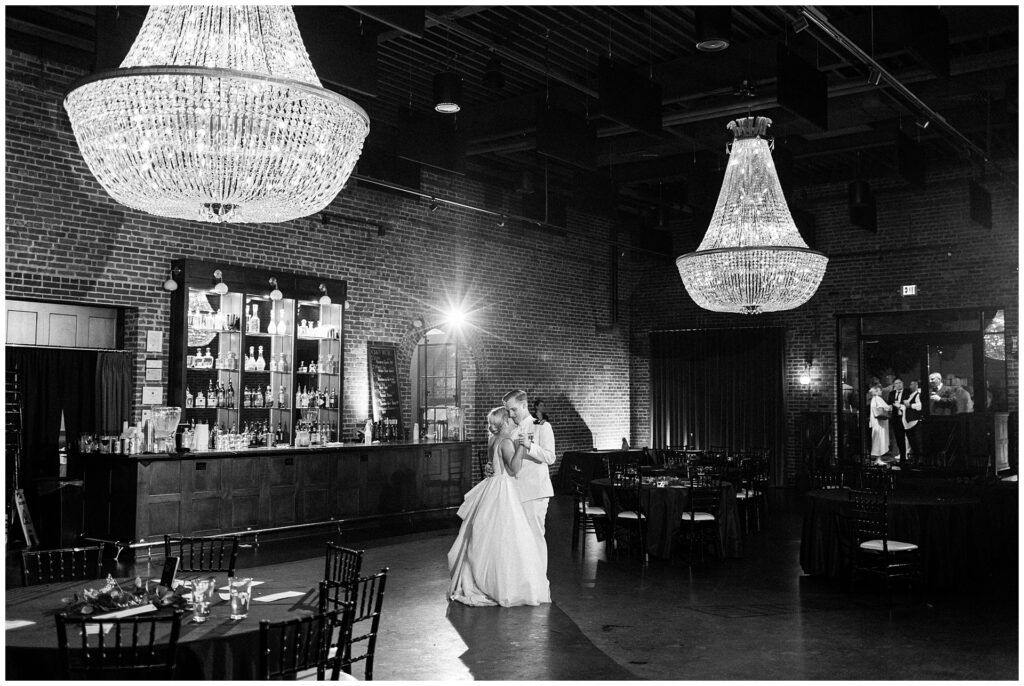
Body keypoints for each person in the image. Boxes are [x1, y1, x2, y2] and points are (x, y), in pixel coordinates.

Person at [447, 407, 551, 607]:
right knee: (507, 537)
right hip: (504, 489)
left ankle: (484, 578)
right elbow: (514, 468)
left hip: (492, 487)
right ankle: (501, 582)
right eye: (509, 417)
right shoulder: (505, 441)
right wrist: (522, 445)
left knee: (491, 534)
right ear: (504, 422)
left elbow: (492, 464)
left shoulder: (492, 440)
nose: (512, 419)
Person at [503, 389, 557, 537]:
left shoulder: (541, 426)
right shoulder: (512, 432)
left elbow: (550, 457)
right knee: (520, 540)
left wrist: (530, 446)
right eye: (508, 411)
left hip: (535, 492)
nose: (511, 415)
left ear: (524, 405)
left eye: (513, 410)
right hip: (516, 492)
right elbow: (512, 463)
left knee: (534, 537)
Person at [902, 379, 924, 465]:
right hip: (908, 423)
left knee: (917, 442)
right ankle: (915, 458)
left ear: (916, 386)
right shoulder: (910, 396)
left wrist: (910, 405)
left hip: (914, 422)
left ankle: (920, 459)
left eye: (912, 384)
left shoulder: (918, 395)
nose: (910, 386)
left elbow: (920, 406)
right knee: (912, 442)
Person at [868, 384, 891, 465]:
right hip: (880, 423)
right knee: (880, 440)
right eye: (880, 390)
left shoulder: (873, 399)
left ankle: (878, 459)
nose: (881, 391)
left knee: (878, 440)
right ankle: (878, 459)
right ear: (877, 391)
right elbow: (884, 408)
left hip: (877, 423)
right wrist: (890, 407)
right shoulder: (878, 398)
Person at [887, 378, 908, 463]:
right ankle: (902, 456)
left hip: (905, 417)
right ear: (894, 385)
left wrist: (900, 405)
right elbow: (889, 403)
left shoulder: (907, 392)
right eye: (896, 383)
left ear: (902, 383)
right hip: (896, 418)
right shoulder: (892, 393)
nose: (898, 384)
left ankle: (907, 455)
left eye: (899, 383)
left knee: (908, 437)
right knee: (899, 438)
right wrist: (890, 407)